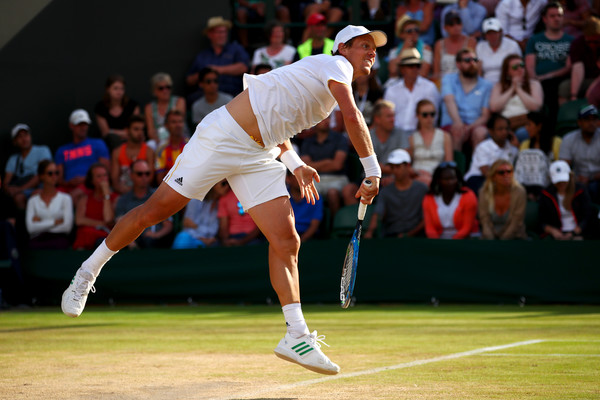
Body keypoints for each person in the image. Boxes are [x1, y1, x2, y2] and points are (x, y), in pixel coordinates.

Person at [61, 25, 387, 376]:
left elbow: (277, 122)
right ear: (343, 48)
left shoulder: (317, 80)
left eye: (374, 49)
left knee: (286, 240)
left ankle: (296, 335)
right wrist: (372, 169)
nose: (372, 53)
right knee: (153, 213)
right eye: (364, 46)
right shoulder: (334, 67)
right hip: (223, 137)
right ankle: (87, 271)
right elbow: (353, 117)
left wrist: (295, 164)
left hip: (259, 154)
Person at [524, 2, 574, 121]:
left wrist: (547, 76)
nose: (556, 19)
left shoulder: (571, 40)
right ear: (544, 19)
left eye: (559, 15)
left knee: (552, 87)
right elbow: (529, 65)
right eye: (552, 16)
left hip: (560, 80)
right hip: (538, 81)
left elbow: (569, 67)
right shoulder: (534, 40)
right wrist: (535, 80)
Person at [364, 148, 427, 238]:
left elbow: (427, 218)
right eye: (392, 167)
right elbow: (378, 214)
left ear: (408, 166)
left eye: (398, 166)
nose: (394, 171)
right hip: (391, 237)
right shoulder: (385, 191)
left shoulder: (422, 189)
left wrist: (409, 234)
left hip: (417, 238)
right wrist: (370, 232)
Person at [440, 48, 493, 151]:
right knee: (457, 132)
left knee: (481, 132)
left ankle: (477, 166)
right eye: (467, 61)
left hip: (475, 125)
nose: (472, 63)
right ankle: (456, 166)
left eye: (475, 60)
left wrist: (469, 128)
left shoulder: (487, 85)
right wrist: (458, 123)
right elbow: (449, 101)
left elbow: (485, 115)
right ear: (458, 64)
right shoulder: (448, 79)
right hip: (452, 124)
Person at [185, 16, 250, 99]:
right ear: (210, 34)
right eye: (219, 32)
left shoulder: (236, 49)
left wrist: (217, 70)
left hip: (233, 95)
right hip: (207, 97)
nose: (222, 35)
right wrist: (205, 74)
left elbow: (243, 67)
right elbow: (189, 80)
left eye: (224, 32)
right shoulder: (202, 55)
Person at [54, 109, 110, 204]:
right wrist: (69, 183)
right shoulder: (62, 150)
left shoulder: (98, 144)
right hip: (67, 187)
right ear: (71, 126)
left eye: (85, 124)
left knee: (74, 196)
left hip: (90, 186)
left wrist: (86, 179)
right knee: (51, 197)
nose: (83, 128)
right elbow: (58, 178)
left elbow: (106, 169)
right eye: (79, 125)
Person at [115, 160, 173, 249]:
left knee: (150, 241)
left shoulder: (158, 196)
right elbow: (119, 223)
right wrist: (130, 242)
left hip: (155, 242)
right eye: (139, 174)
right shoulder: (123, 200)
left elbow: (168, 224)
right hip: (130, 241)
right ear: (131, 175)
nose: (144, 177)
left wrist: (156, 235)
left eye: (147, 173)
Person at [384, 48, 441, 138]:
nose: (415, 69)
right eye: (411, 65)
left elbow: (434, 117)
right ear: (402, 69)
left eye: (417, 65)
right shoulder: (392, 90)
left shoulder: (430, 87)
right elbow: (387, 117)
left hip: (422, 134)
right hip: (395, 135)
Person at [300, 115, 350, 216]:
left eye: (328, 118)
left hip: (337, 178)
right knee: (303, 192)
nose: (326, 121)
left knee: (332, 193)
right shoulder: (307, 142)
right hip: (314, 178)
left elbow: (337, 165)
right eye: (322, 118)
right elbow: (306, 166)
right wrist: (327, 162)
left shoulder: (340, 138)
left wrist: (314, 165)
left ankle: (334, 225)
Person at [489, 54, 544, 142]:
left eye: (522, 66)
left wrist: (518, 89)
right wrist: (512, 88)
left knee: (520, 134)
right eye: (515, 67)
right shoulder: (499, 86)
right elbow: (494, 108)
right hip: (505, 123)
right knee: (490, 134)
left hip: (526, 121)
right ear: (507, 71)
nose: (520, 69)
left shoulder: (534, 84)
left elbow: (536, 107)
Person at [539, 160, 599, 239]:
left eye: (564, 180)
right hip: (556, 235)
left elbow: (587, 216)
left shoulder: (580, 190)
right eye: (558, 181)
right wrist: (553, 231)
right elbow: (541, 220)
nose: (561, 183)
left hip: (580, 233)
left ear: (570, 176)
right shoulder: (546, 194)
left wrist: (574, 233)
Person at [422, 161, 479, 239]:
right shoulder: (429, 197)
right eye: (446, 179)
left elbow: (467, 228)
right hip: (438, 242)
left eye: (453, 178)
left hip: (464, 240)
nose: (450, 182)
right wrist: (438, 244)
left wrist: (451, 245)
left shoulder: (468, 195)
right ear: (438, 181)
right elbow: (430, 229)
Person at [464, 113, 519, 193]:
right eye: (500, 129)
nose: (504, 132)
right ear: (491, 131)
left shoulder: (513, 149)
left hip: (502, 180)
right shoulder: (483, 147)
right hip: (479, 177)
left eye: (506, 129)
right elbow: (485, 171)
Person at [25, 160, 73, 249]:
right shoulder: (32, 201)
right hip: (37, 240)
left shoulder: (66, 198)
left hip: (59, 239)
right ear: (41, 176)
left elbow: (67, 227)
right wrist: (55, 222)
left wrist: (40, 223)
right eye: (50, 173)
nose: (54, 176)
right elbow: (30, 228)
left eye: (56, 173)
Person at [3, 123, 52, 209]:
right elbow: (6, 183)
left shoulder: (43, 150)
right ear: (15, 142)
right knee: (17, 198)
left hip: (41, 187)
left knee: (35, 195)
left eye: (26, 135)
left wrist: (20, 189)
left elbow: (42, 175)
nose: (24, 139)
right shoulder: (13, 159)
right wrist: (9, 189)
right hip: (22, 191)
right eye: (19, 136)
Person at [559, 104, 600, 203]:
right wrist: (575, 179)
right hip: (577, 181)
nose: (591, 123)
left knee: (594, 187)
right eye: (587, 119)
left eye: (594, 119)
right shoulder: (569, 139)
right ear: (579, 122)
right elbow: (564, 166)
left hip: (598, 179)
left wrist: (590, 178)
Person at [515, 111, 562, 198]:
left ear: (539, 126)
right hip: (527, 183)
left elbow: (559, 166)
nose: (526, 128)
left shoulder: (556, 142)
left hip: (551, 181)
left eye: (529, 125)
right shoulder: (525, 144)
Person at [72, 163, 118, 250]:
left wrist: (106, 196)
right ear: (91, 180)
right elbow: (79, 220)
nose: (103, 179)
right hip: (87, 236)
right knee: (83, 233)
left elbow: (108, 219)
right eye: (99, 176)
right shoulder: (84, 199)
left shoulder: (115, 198)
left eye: (105, 175)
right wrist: (101, 223)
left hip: (106, 236)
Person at [478, 159, 528, 239]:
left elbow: (516, 222)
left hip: (515, 239)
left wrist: (503, 243)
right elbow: (484, 220)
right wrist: (491, 241)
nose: (506, 175)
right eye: (501, 172)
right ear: (493, 177)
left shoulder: (520, 192)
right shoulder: (484, 192)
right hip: (490, 239)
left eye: (509, 171)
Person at [171, 180, 229, 249]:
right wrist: (203, 239)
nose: (227, 187)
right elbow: (187, 225)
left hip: (210, 241)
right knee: (183, 237)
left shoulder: (221, 203)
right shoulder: (195, 200)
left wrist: (197, 228)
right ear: (213, 185)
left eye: (228, 184)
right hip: (193, 239)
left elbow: (213, 230)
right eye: (223, 183)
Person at [409, 99, 453, 187]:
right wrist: (418, 174)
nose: (429, 118)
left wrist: (434, 177)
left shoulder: (445, 136)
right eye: (425, 115)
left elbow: (449, 164)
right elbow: (408, 166)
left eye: (432, 114)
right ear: (418, 116)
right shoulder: (411, 138)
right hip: (417, 177)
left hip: (438, 178)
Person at [368, 100, 410, 186]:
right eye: (389, 116)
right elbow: (369, 164)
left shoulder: (400, 133)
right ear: (377, 119)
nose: (393, 120)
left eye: (393, 116)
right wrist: (395, 169)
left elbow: (405, 160)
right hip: (369, 178)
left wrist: (393, 174)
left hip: (395, 178)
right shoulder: (367, 136)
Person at [94, 74, 140, 151]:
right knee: (113, 139)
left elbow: (135, 130)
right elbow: (105, 133)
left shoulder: (132, 105)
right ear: (108, 89)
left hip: (131, 141)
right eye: (115, 88)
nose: (119, 92)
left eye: (122, 89)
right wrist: (124, 133)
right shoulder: (100, 108)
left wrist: (112, 131)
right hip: (110, 145)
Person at [110, 116, 155, 195]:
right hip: (122, 193)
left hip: (143, 194)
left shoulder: (149, 151)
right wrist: (126, 192)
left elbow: (150, 178)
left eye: (142, 129)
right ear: (127, 131)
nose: (140, 132)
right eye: (136, 129)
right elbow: (114, 180)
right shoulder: (117, 152)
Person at [144, 72, 187, 150]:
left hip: (179, 137)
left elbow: (177, 124)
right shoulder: (149, 107)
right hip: (158, 139)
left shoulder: (179, 101)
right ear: (154, 91)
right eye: (161, 88)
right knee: (149, 145)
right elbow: (150, 131)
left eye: (168, 87)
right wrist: (159, 140)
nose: (165, 90)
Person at [563, 16, 600, 103]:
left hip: (597, 80)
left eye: (595, 42)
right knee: (564, 88)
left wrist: (592, 90)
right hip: (586, 79)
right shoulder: (578, 43)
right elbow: (577, 67)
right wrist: (574, 95)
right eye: (589, 41)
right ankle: (567, 113)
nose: (592, 45)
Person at [433, 12, 478, 83]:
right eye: (451, 24)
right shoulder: (439, 44)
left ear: (462, 25)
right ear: (445, 28)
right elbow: (436, 72)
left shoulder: (471, 42)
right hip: (444, 83)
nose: (456, 26)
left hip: (465, 82)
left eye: (458, 23)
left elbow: (473, 67)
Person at [476, 17, 523, 85]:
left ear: (501, 32)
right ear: (485, 35)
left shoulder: (512, 45)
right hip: (486, 85)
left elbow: (519, 67)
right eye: (489, 33)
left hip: (508, 83)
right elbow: (478, 70)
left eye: (494, 32)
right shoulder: (480, 47)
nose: (492, 36)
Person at [386, 16, 433, 81]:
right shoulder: (394, 50)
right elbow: (393, 70)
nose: (413, 33)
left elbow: (424, 73)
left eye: (416, 30)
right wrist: (404, 49)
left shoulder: (426, 48)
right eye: (409, 31)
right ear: (402, 35)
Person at [285, 171, 323, 242]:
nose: (302, 181)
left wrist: (301, 241)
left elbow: (315, 224)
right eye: (298, 177)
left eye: (304, 177)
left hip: (309, 239)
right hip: (285, 237)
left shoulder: (316, 197)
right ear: (288, 179)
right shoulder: (281, 197)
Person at [155, 110, 188, 183]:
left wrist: (168, 172)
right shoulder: (161, 150)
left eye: (180, 121)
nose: (178, 125)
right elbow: (159, 179)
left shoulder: (191, 146)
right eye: (174, 122)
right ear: (166, 126)